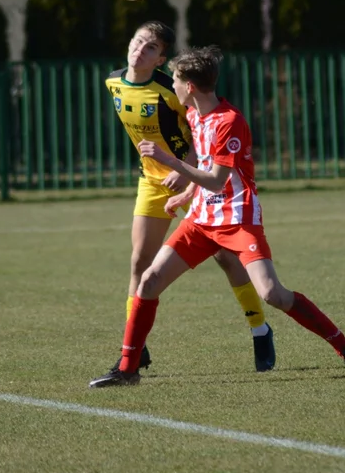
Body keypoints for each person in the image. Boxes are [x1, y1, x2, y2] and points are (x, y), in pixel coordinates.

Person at [90, 45, 345, 387]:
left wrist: (170, 161)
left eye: (176, 80)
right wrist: (186, 193)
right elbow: (204, 170)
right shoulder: (193, 115)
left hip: (238, 221)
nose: (173, 86)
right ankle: (127, 369)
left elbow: (217, 179)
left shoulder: (230, 121)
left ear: (189, 86)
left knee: (272, 293)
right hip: (200, 221)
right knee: (148, 282)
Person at [104, 23, 275, 373]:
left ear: (161, 59)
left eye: (151, 47)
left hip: (192, 178)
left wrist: (185, 172)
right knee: (140, 263)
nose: (140, 50)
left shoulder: (172, 90)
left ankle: (259, 328)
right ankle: (136, 348)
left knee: (228, 261)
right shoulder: (113, 82)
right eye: (138, 41)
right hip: (152, 183)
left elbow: (205, 134)